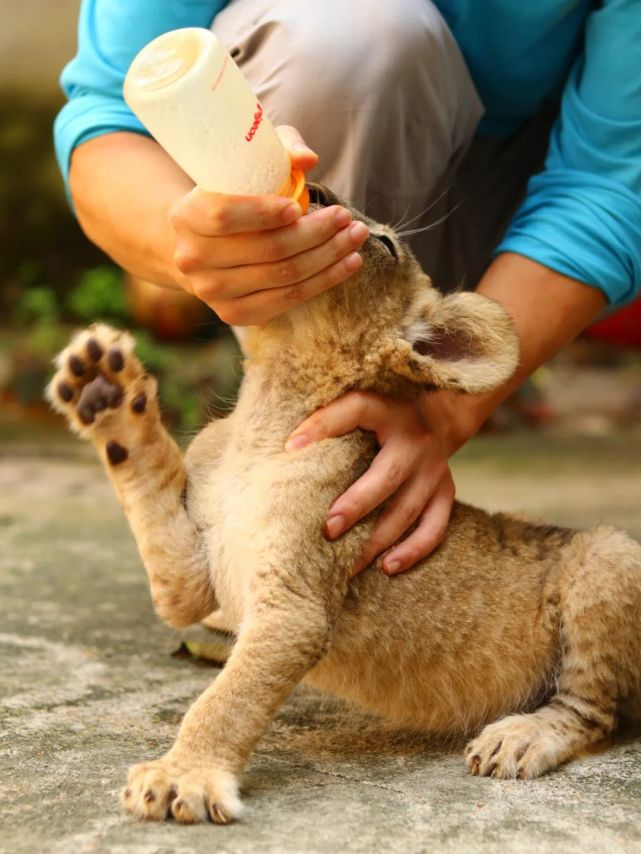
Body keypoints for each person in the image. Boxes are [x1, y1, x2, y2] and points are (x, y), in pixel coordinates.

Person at [55, 0, 641, 577]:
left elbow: (613, 180)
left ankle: (319, 515)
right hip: (326, 105)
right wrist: (187, 247)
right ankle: (276, 522)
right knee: (350, 43)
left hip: (509, 208)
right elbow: (110, 116)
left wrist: (440, 412)